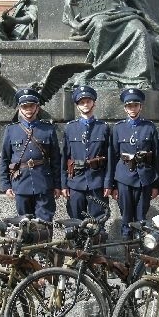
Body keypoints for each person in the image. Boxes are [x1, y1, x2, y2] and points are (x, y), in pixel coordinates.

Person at [0, 88, 61, 223]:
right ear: (20, 109)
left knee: (44, 222)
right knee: (24, 224)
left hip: (44, 183)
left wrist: (57, 185)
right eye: (24, 106)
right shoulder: (11, 130)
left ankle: (45, 245)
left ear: (37, 108)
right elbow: (5, 159)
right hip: (21, 183)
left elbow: (56, 160)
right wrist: (6, 185)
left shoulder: (48, 129)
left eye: (31, 106)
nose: (28, 109)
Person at [112, 88, 159, 240]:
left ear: (141, 107)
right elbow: (113, 156)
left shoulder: (149, 127)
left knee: (141, 219)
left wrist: (156, 185)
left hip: (144, 177)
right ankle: (127, 259)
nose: (132, 109)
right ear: (125, 108)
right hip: (124, 178)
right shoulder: (118, 128)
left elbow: (157, 157)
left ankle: (141, 257)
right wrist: (113, 185)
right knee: (126, 218)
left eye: (135, 105)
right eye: (129, 106)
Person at [61, 86, 113, 221]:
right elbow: (64, 158)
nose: (85, 105)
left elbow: (110, 158)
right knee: (75, 221)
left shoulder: (103, 128)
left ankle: (96, 242)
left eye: (88, 102)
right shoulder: (70, 128)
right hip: (75, 182)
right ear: (77, 106)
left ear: (93, 103)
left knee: (98, 221)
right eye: (81, 102)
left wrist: (108, 183)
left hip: (97, 181)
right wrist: (64, 184)